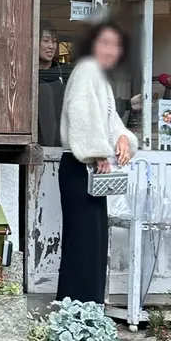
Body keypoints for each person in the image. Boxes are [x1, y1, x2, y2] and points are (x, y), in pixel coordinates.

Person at [57, 20, 137, 304]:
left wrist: (124, 139)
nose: (110, 50)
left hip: (90, 167)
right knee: (85, 243)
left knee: (91, 242)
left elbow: (110, 122)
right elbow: (79, 113)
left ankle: (84, 312)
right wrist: (98, 152)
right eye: (104, 42)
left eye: (115, 45)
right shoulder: (86, 69)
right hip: (82, 166)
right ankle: (80, 312)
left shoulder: (99, 77)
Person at [37, 22, 66, 146]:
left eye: (54, 42)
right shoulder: (27, 75)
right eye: (46, 41)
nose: (51, 46)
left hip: (61, 145)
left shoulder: (64, 75)